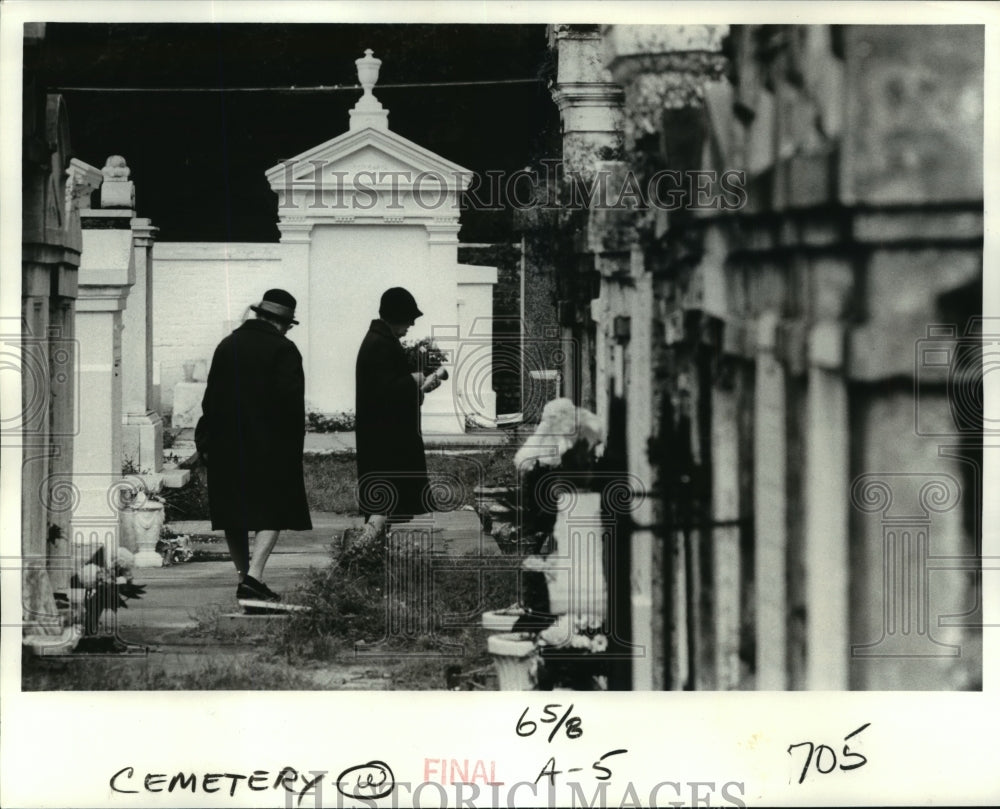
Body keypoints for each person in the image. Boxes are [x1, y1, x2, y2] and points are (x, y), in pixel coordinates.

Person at [195, 288, 312, 610]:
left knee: (233, 513)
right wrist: (292, 451)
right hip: (268, 446)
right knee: (271, 510)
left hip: (225, 445)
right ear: (280, 322)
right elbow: (290, 405)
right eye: (289, 324)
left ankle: (243, 577)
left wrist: (207, 443)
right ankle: (254, 578)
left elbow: (209, 400)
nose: (289, 330)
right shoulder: (284, 349)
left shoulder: (227, 345)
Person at [355, 287, 441, 540]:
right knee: (385, 499)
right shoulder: (380, 344)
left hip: (386, 434)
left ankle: (372, 548)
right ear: (397, 315)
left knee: (386, 500)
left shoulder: (381, 340)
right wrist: (413, 381)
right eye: (409, 318)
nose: (412, 324)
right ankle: (361, 548)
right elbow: (384, 391)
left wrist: (419, 387)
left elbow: (389, 388)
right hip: (387, 438)